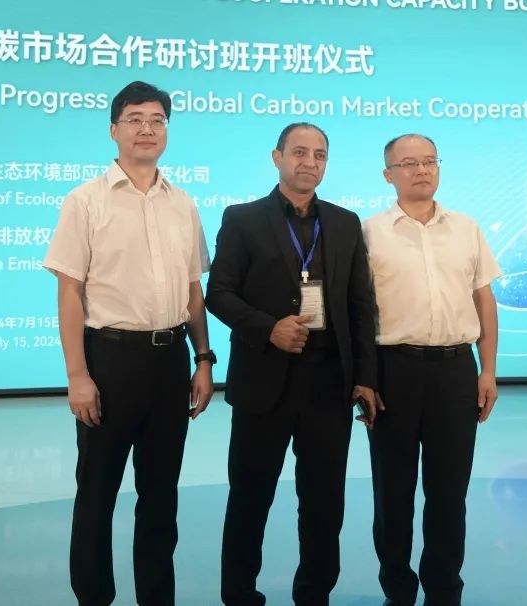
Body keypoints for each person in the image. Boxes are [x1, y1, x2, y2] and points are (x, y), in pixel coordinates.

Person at [42, 80, 216, 606]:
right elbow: (69, 292)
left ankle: (156, 597)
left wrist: (203, 359)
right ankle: (94, 596)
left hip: (170, 361)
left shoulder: (182, 203)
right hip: (110, 359)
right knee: (97, 493)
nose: (147, 129)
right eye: (136, 119)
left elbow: (193, 290)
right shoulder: (85, 201)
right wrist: (78, 375)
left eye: (157, 120)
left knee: (161, 496)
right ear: (114, 130)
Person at [206, 122, 379, 606]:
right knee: (250, 498)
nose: (310, 162)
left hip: (329, 384)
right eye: (299, 152)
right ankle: (239, 594)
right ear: (277, 157)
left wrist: (366, 377)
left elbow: (360, 306)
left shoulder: (344, 223)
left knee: (324, 504)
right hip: (264, 380)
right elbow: (218, 293)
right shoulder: (242, 218)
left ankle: (314, 594)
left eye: (319, 154)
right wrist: (268, 328)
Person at [362, 134, 501, 606]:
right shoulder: (369, 232)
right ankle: (397, 590)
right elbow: (358, 311)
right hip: (393, 372)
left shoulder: (466, 228)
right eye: (409, 163)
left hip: (455, 371)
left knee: (449, 492)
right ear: (389, 175)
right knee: (393, 492)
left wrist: (488, 371)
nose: (421, 170)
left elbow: (484, 299)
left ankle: (444, 589)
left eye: (429, 161)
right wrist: (364, 378)